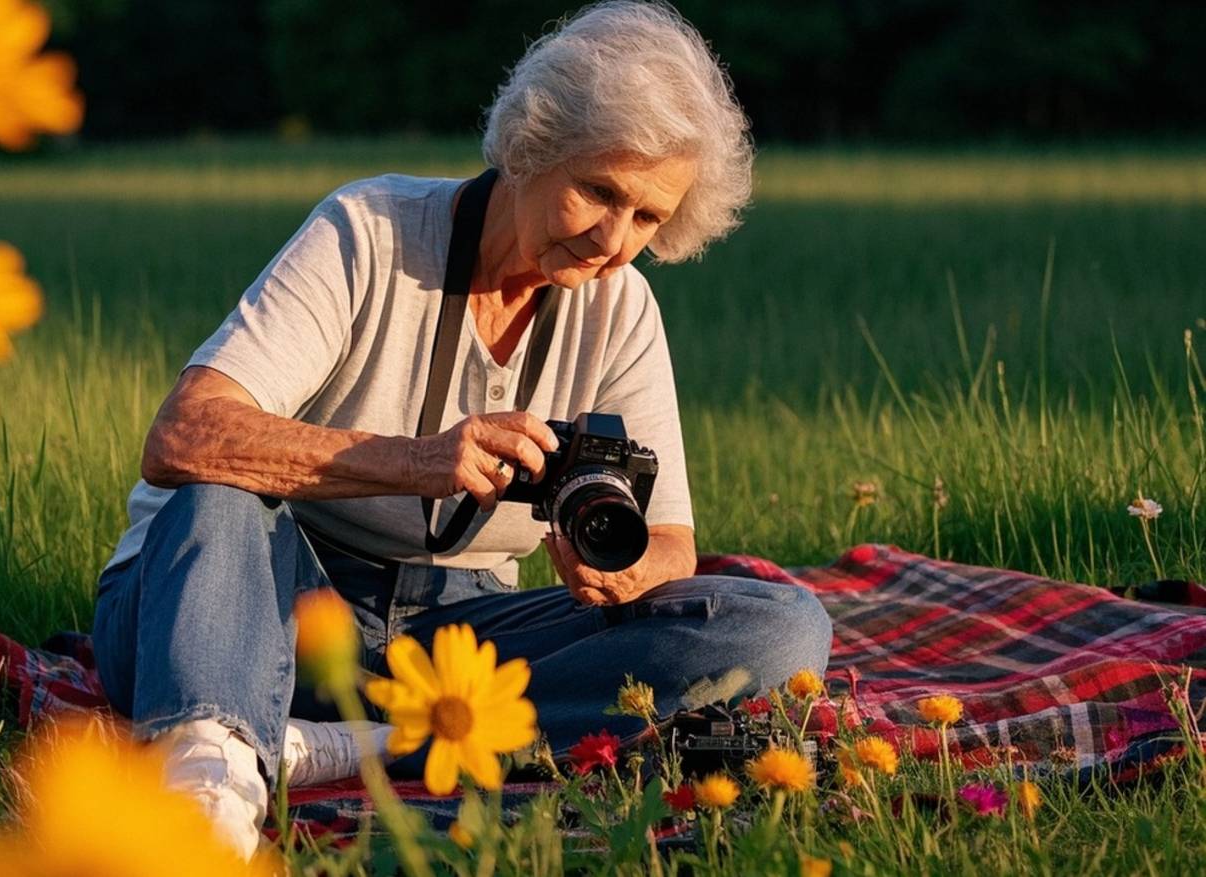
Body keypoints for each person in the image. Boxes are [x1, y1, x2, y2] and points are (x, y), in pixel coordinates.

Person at [92, 0, 831, 858]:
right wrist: (419, 461)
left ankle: (364, 741)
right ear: (532, 144)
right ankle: (209, 796)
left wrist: (625, 572)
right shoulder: (368, 232)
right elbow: (183, 435)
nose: (614, 239)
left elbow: (673, 543)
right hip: (264, 602)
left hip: (457, 641)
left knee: (782, 625)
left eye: (648, 218)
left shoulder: (623, 308)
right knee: (218, 493)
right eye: (599, 191)